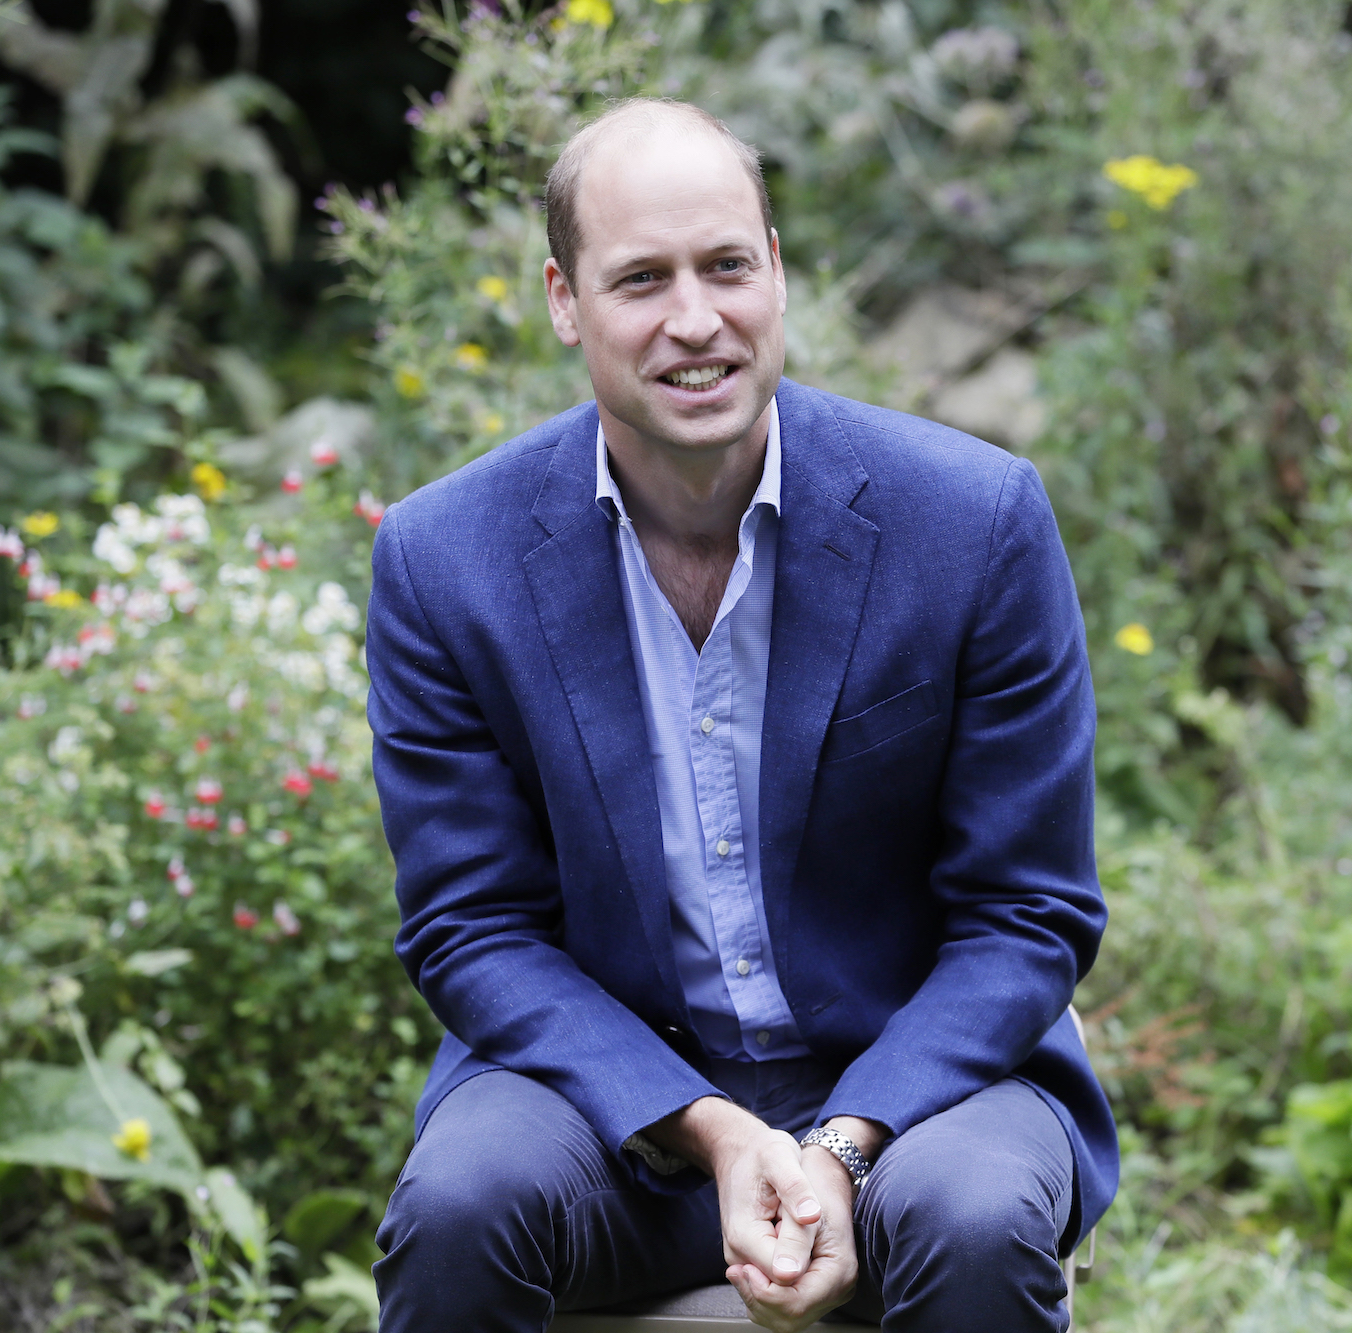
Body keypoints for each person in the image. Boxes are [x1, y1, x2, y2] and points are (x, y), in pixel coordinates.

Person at [365, 97, 1115, 1333]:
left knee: (977, 1223)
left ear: (776, 266)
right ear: (563, 300)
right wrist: (712, 1132)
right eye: (639, 279)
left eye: (725, 265)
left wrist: (845, 1140)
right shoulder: (447, 562)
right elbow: (471, 926)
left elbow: (1028, 911)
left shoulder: (971, 523)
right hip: (608, 1112)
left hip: (921, 1096)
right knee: (460, 1206)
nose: (694, 319)